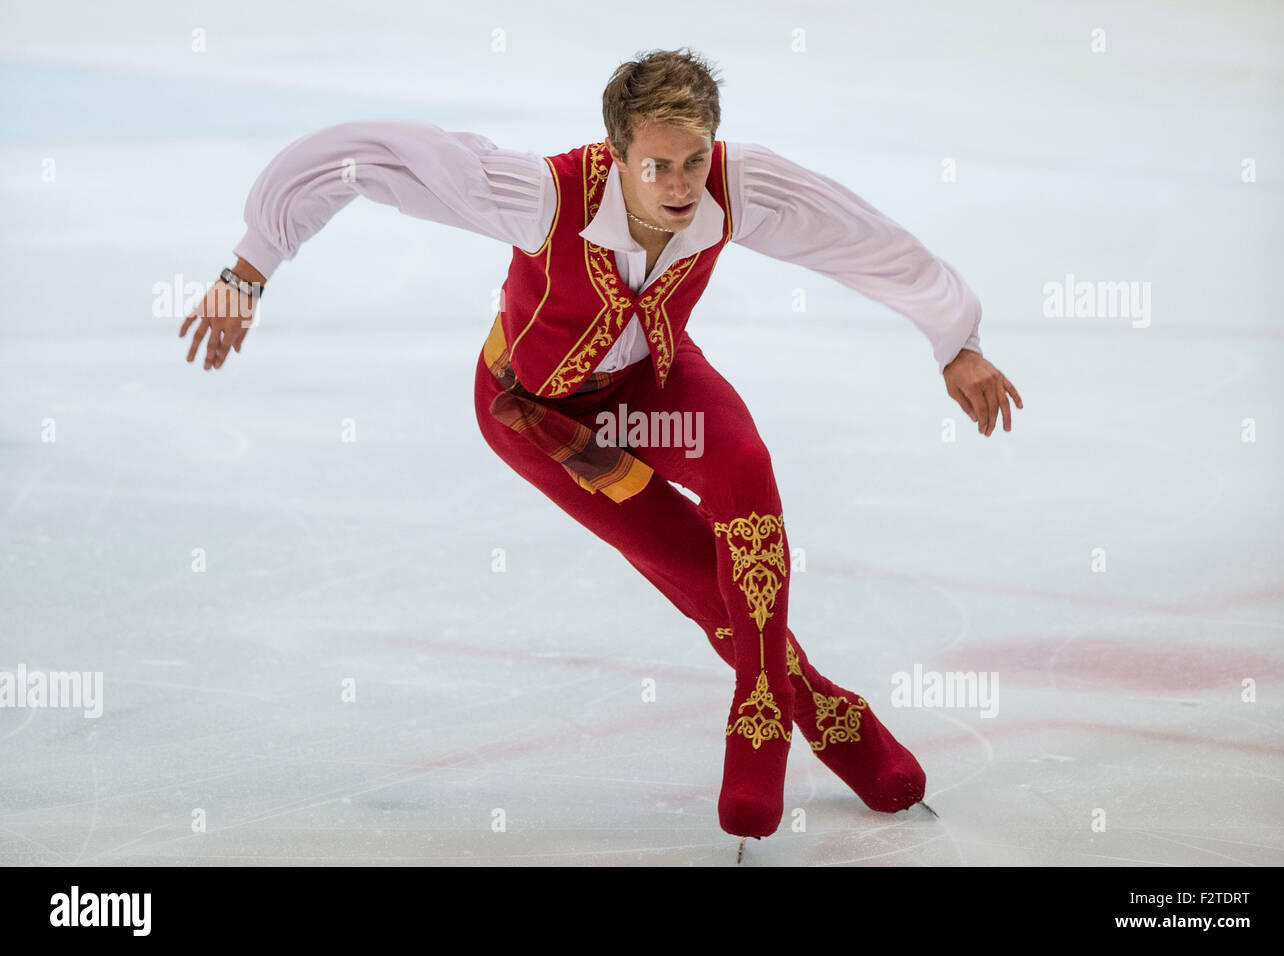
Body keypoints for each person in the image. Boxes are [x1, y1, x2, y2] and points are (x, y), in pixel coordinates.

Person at [179, 47, 1022, 846]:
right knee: (701, 575)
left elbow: (857, 236)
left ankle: (760, 707)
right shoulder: (541, 195)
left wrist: (957, 339)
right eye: (656, 165)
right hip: (542, 421)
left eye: (693, 160)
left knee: (745, 465)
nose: (680, 184)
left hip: (651, 387)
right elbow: (362, 156)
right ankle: (828, 712)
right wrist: (250, 266)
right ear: (619, 155)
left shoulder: (739, 183)